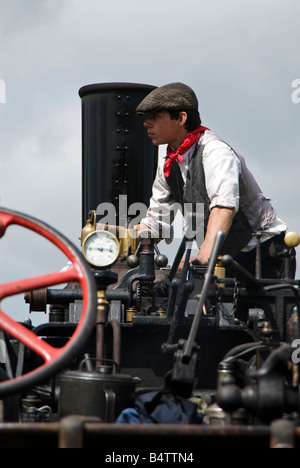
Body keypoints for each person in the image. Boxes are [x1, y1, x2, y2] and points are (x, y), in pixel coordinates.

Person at [134, 82, 295, 279]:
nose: (146, 123)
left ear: (181, 118)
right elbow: (156, 223)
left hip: (262, 256)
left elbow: (223, 208)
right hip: (221, 259)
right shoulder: (169, 165)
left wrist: (202, 258)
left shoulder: (215, 152)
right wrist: (114, 241)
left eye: (155, 117)